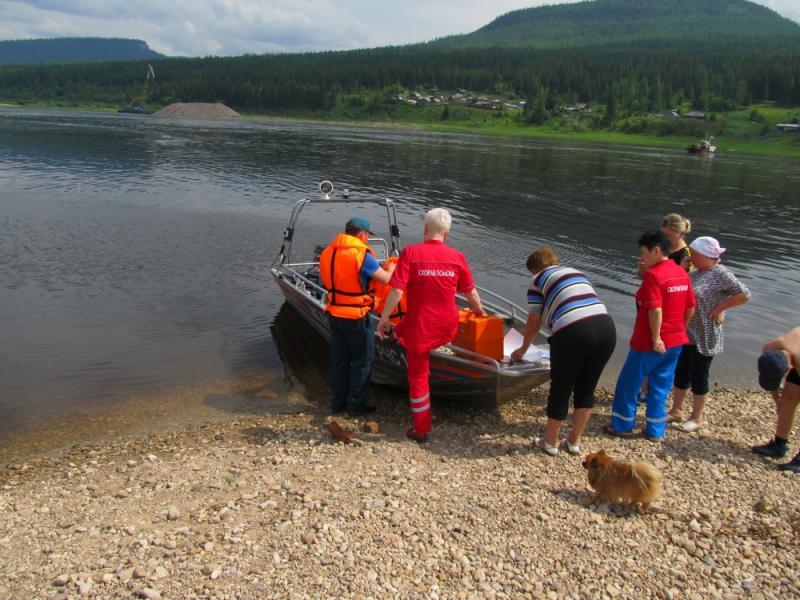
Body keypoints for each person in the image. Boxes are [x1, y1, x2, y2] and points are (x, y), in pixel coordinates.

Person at [376, 208, 484, 443]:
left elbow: (396, 289)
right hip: (448, 324)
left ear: (425, 228)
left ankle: (421, 430)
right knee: (409, 323)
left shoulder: (411, 253)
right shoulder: (457, 256)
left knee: (418, 377)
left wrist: (384, 318)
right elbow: (471, 292)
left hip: (422, 327)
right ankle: (396, 336)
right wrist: (480, 313)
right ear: (448, 232)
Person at [510, 247, 616, 456]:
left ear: (534, 270)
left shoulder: (538, 279)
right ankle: (574, 442)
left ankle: (550, 442)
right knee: (586, 389)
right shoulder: (576, 273)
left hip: (573, 331)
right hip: (606, 328)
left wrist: (522, 349)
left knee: (561, 388)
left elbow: (534, 321)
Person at [607, 230, 696, 441]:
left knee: (629, 384)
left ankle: (621, 425)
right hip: (676, 341)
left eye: (644, 253)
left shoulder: (655, 276)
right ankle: (656, 430)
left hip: (649, 343)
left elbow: (655, 309)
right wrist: (680, 329)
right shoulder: (681, 273)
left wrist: (656, 338)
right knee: (660, 386)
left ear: (657, 250)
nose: (642, 258)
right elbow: (691, 305)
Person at [669, 237, 751, 432]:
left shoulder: (721, 274)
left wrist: (721, 308)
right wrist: (682, 267)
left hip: (705, 334)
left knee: (699, 374)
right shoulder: (696, 272)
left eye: (695, 254)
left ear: (707, 256)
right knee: (681, 372)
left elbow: (744, 294)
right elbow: (679, 290)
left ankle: (696, 417)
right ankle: (676, 410)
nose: (692, 257)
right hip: (687, 331)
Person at [319, 216, 395, 416]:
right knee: (362, 361)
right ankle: (356, 406)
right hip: (357, 316)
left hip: (334, 313)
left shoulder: (328, 252)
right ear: (362, 234)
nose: (368, 240)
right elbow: (386, 279)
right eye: (368, 236)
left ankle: (337, 404)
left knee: (339, 360)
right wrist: (393, 267)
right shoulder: (362, 255)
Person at [752, 327, 800, 473]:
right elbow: (772, 379)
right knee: (788, 399)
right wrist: (777, 399)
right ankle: (779, 445)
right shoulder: (770, 348)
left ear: (790, 367)